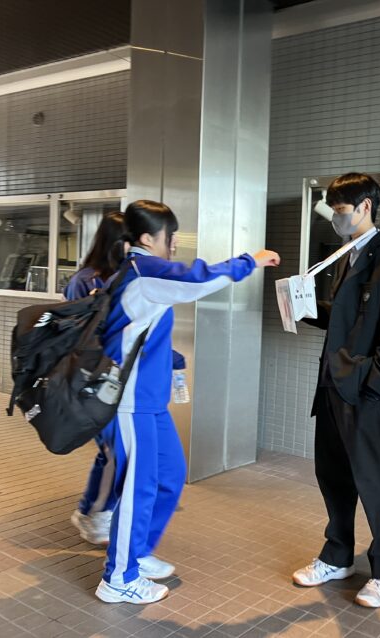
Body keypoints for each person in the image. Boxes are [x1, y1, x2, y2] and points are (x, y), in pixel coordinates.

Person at [95, 200, 279, 604]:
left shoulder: (140, 271)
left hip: (149, 400)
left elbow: (143, 331)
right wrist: (249, 261)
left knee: (169, 475)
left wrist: (172, 361)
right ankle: (119, 578)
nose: (174, 243)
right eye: (170, 236)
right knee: (139, 487)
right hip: (129, 402)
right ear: (148, 238)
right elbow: (197, 279)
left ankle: (136, 554)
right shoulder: (144, 270)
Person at [292, 173, 380, 608]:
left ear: (365, 206)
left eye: (341, 210)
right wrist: (305, 307)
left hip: (362, 387)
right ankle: (337, 554)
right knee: (332, 474)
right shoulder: (347, 255)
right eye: (332, 211)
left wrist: (375, 388)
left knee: (371, 478)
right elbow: (344, 319)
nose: (335, 218)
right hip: (332, 380)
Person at [65, 212, 126, 545]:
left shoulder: (123, 276)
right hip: (93, 379)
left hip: (111, 379)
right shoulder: (89, 280)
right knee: (114, 451)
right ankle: (95, 513)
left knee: (112, 450)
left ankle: (94, 509)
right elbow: (80, 332)